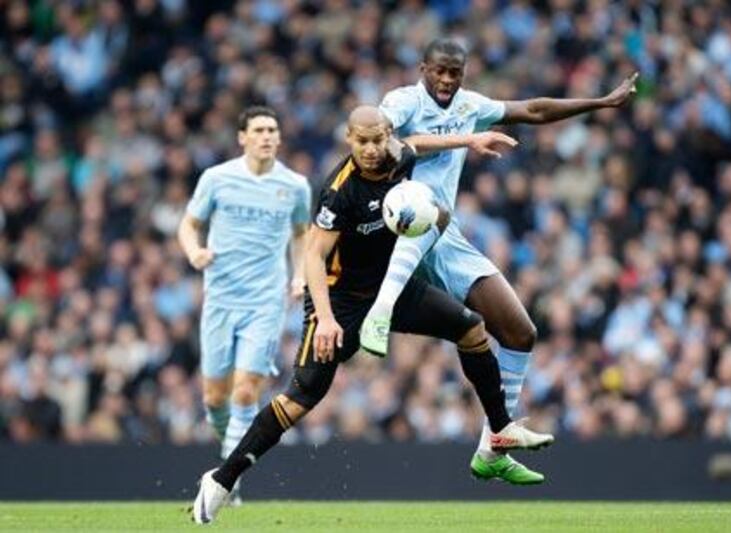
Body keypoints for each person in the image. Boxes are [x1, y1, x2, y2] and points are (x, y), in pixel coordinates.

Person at [191, 106, 552, 524]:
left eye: (378, 139)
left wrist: (469, 140)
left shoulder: (400, 157)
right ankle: (220, 479)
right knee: (302, 397)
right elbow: (313, 256)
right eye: (361, 141)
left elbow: (416, 144)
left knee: (471, 329)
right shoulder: (339, 191)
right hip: (338, 300)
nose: (370, 149)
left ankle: (500, 428)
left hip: (389, 290)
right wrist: (325, 320)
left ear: (387, 137)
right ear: (349, 139)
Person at [358, 38, 638, 484]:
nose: (448, 81)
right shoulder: (402, 100)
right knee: (424, 204)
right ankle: (379, 310)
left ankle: (494, 446)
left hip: (443, 236)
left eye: (456, 73)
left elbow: (535, 110)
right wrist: (468, 139)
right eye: (440, 71)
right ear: (423, 68)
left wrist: (600, 102)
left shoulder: (470, 104)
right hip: (394, 228)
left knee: (520, 331)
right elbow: (391, 143)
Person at [178, 105, 311, 503]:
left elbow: (302, 234)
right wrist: (194, 252)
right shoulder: (217, 179)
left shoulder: (295, 185)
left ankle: (225, 480)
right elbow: (188, 224)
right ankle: (228, 458)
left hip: (265, 299)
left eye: (273, 129)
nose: (267, 136)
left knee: (247, 390)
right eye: (259, 129)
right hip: (221, 297)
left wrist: (299, 274)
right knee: (215, 397)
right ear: (243, 137)